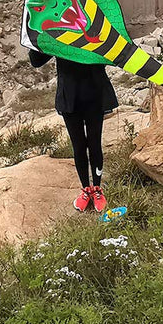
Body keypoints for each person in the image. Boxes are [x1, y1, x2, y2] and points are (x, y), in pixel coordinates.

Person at [29, 49, 118, 213]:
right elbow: (36, 60)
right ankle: (86, 189)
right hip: (70, 97)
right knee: (78, 146)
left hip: (94, 93)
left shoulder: (93, 26)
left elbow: (110, 54)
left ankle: (97, 189)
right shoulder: (58, 33)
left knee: (94, 143)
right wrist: (34, 38)